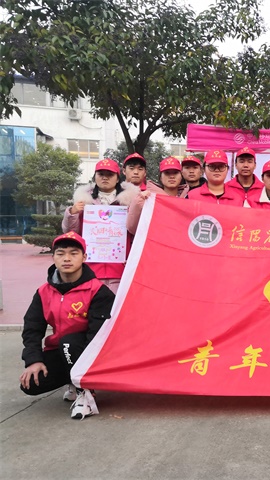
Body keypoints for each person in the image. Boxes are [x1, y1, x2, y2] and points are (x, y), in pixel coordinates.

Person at [20, 232, 115, 420]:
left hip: (92, 353)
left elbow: (99, 335)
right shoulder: (43, 292)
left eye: (73, 253)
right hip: (62, 350)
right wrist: (33, 360)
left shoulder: (98, 291)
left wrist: (86, 372)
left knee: (68, 343)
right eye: (61, 253)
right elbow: (32, 329)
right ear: (53, 257)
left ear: (84, 257)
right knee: (31, 384)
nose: (67, 259)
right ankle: (72, 379)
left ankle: (85, 393)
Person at [62, 158, 139, 293]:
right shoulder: (83, 201)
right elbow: (71, 233)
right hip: (91, 268)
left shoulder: (130, 202)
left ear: (117, 178)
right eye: (101, 174)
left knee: (117, 304)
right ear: (95, 177)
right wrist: (72, 212)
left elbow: (137, 233)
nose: (105, 178)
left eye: (110, 174)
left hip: (121, 269)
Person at [127, 157, 189, 235]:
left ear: (181, 176)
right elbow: (132, 228)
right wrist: (138, 202)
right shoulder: (148, 198)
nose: (172, 176)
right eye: (167, 173)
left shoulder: (188, 197)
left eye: (175, 173)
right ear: (160, 177)